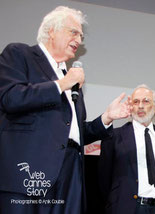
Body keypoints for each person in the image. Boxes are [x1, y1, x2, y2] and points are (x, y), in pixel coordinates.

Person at [0, 6, 131, 214]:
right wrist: (61, 84)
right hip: (30, 171)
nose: (79, 40)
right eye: (74, 32)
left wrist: (106, 117)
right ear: (52, 30)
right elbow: (11, 98)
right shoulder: (20, 54)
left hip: (70, 174)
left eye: (81, 35)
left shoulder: (70, 78)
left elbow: (74, 132)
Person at [99, 84, 155, 214]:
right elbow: (103, 178)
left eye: (146, 101)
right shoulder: (114, 136)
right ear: (130, 107)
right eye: (136, 102)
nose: (140, 106)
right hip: (128, 208)